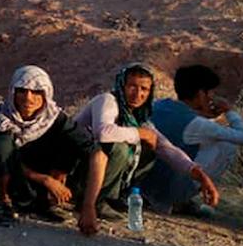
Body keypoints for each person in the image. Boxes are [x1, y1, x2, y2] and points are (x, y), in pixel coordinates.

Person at [74, 64, 220, 236]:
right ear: (122, 86)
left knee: (150, 149)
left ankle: (112, 197)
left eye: (144, 89)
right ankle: (93, 202)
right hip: (76, 168)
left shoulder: (138, 116)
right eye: (132, 86)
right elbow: (104, 133)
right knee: (119, 147)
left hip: (95, 170)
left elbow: (167, 149)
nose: (138, 94)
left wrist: (200, 175)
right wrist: (140, 133)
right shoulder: (107, 100)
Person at [0, 66, 96, 226]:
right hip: (3, 179)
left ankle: (52, 200)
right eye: (22, 91)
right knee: (1, 144)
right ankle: (2, 201)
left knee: (72, 143)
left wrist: (89, 204)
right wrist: (45, 179)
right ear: (13, 92)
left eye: (36, 92)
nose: (28, 98)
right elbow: (1, 158)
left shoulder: (53, 117)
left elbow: (94, 151)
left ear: (46, 94)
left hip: (35, 180)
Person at [144, 64, 243, 215]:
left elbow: (182, 123)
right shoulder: (196, 124)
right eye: (211, 92)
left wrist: (205, 115)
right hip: (165, 191)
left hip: (144, 184)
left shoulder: (159, 104)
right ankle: (178, 200)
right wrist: (230, 112)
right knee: (227, 144)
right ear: (202, 93)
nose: (212, 97)